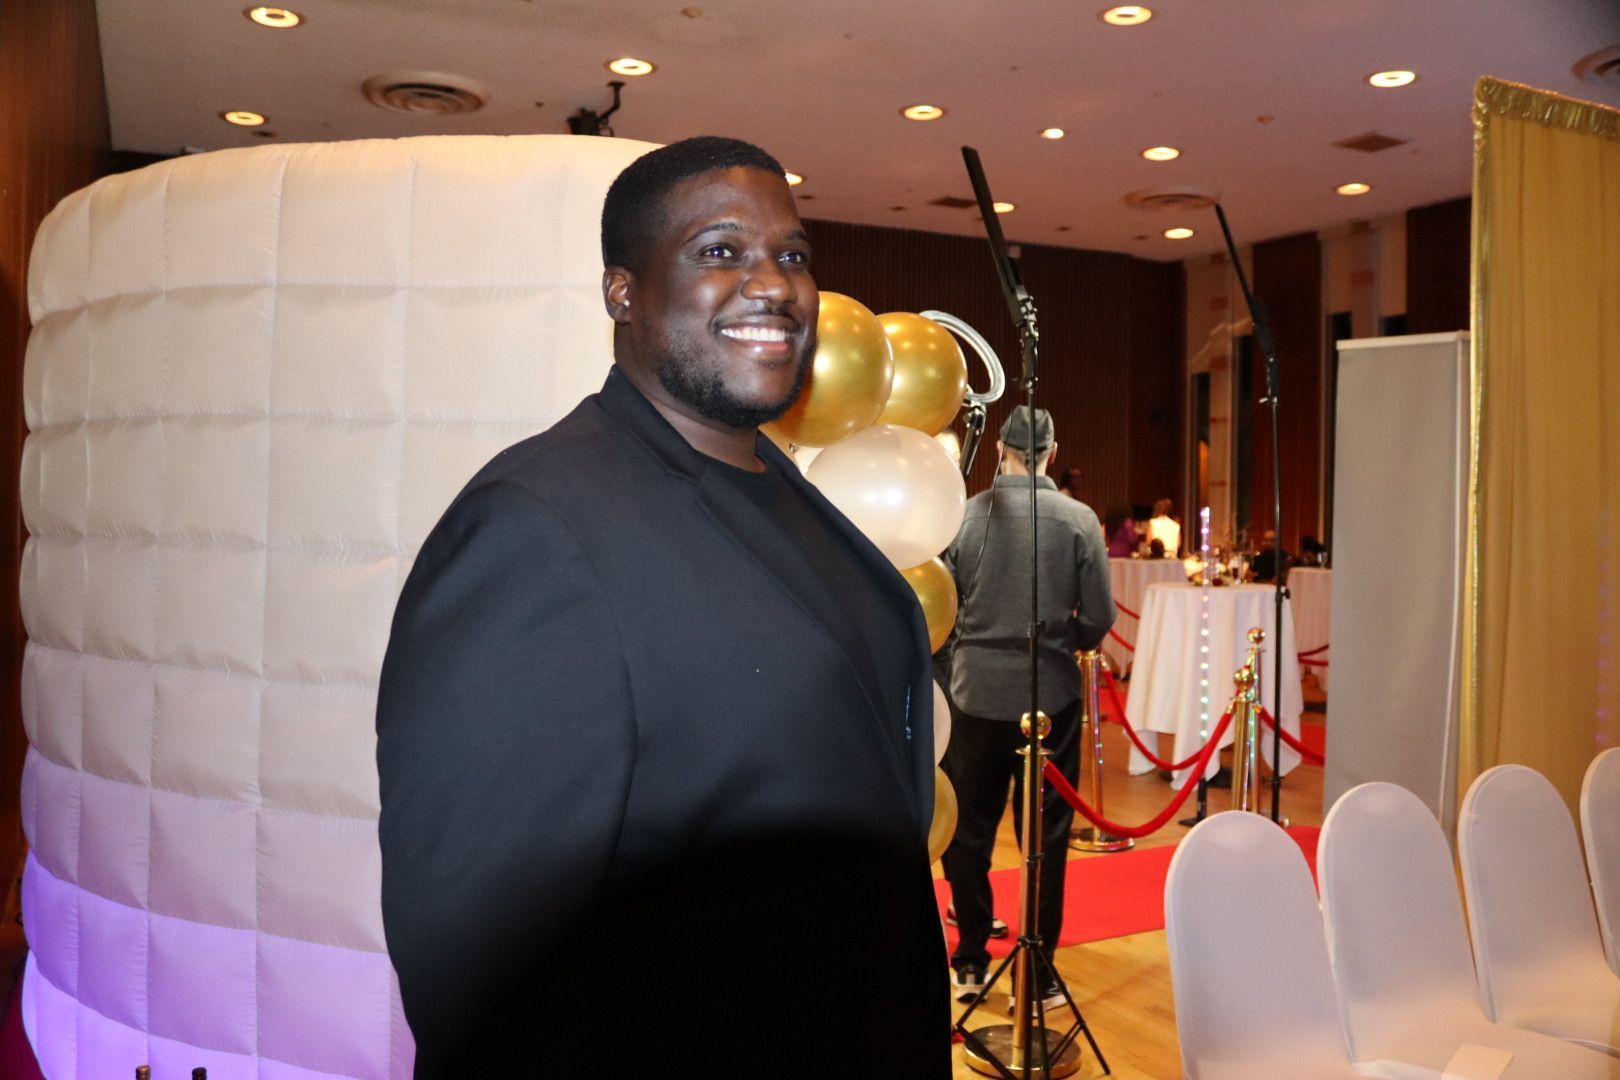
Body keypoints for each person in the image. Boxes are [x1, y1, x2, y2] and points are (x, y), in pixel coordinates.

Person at [375, 136, 950, 1077]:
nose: (773, 283)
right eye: (720, 251)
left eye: (792, 255)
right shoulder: (536, 532)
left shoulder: (779, 486)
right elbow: (482, 976)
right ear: (624, 292)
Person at [937, 406, 1114, 1007]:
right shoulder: (1078, 520)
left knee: (967, 830)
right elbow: (1100, 616)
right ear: (1052, 452)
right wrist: (1071, 645)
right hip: (1051, 695)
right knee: (1045, 837)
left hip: (974, 692)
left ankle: (967, 963)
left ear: (999, 452)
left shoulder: (965, 517)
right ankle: (1034, 979)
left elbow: (945, 604)